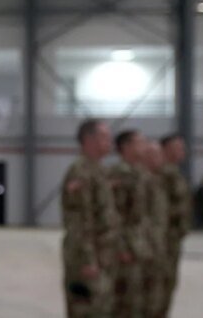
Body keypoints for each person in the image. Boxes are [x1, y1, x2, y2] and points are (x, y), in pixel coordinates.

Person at [61, 119, 121, 317]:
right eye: (104, 137)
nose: (110, 141)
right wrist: (87, 260)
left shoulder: (99, 170)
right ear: (89, 140)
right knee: (87, 310)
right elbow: (79, 221)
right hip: (86, 260)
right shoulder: (81, 172)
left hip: (102, 257)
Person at [108, 130, 151, 317]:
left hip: (139, 246)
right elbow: (113, 214)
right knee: (122, 303)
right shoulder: (119, 173)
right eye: (140, 142)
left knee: (136, 302)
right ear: (126, 147)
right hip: (125, 249)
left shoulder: (139, 173)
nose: (145, 146)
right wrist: (121, 247)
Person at [159, 133, 193, 316]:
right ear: (166, 149)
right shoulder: (161, 174)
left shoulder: (174, 173)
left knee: (168, 284)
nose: (183, 151)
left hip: (173, 238)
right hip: (162, 239)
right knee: (160, 286)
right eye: (178, 147)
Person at [141, 141, 169, 318]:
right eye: (157, 155)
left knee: (155, 299)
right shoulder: (139, 181)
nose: (161, 159)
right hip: (142, 251)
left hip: (157, 248)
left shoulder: (157, 181)